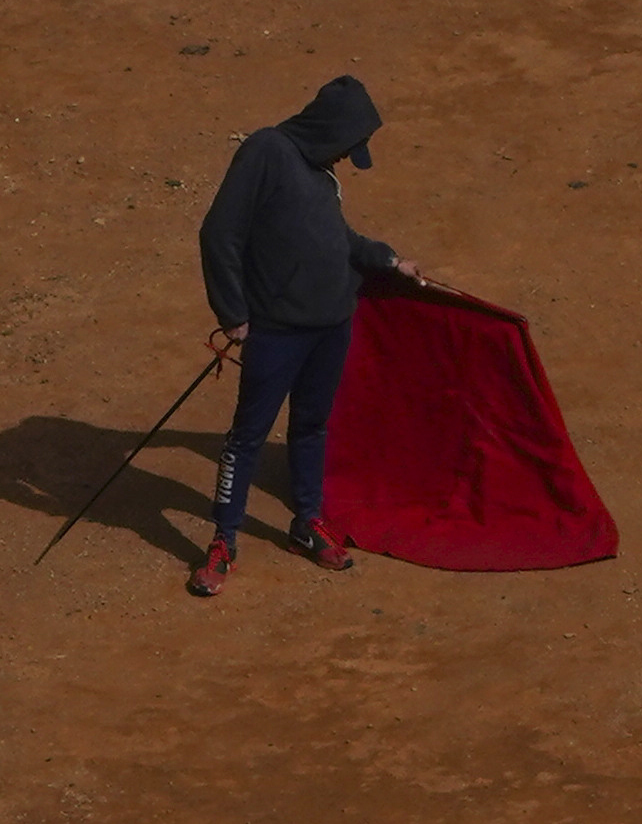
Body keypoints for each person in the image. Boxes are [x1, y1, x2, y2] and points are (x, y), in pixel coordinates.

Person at [188, 72, 473, 595]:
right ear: (330, 129)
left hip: (331, 325)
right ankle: (224, 538)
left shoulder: (320, 176)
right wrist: (232, 313)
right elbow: (219, 232)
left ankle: (306, 524)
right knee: (247, 436)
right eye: (349, 145)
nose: (349, 157)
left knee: (313, 426)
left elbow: (336, 238)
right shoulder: (266, 151)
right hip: (276, 330)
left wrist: (388, 260)